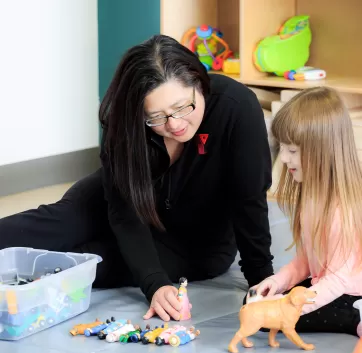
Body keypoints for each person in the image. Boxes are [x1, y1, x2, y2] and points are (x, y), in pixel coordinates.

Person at [0, 34, 274, 322]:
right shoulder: (124, 121)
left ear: (198, 82)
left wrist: (262, 281)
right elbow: (124, 213)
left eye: (183, 107)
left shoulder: (237, 107)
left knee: (81, 262)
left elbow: (250, 198)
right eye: (156, 117)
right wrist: (155, 283)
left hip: (192, 241)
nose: (176, 124)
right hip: (125, 202)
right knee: (60, 223)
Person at [251, 86, 362, 337]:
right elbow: (305, 261)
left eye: (292, 151)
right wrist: (276, 282)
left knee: (273, 318)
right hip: (325, 283)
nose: (285, 160)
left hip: (349, 291)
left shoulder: (340, 210)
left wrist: (286, 307)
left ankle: (356, 315)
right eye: (283, 149)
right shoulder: (312, 195)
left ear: (322, 151)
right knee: (258, 307)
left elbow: (338, 280)